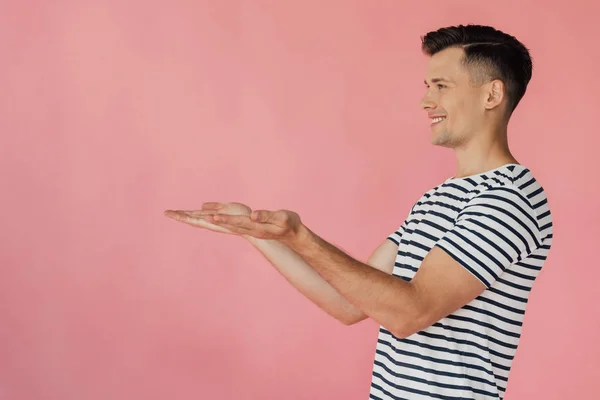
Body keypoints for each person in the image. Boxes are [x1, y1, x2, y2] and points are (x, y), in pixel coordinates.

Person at [165, 24, 553, 400]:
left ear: (491, 95)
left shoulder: (508, 199)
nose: (425, 101)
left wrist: (302, 237)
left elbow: (410, 313)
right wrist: (259, 232)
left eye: (441, 86)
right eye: (427, 87)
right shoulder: (438, 198)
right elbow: (349, 304)